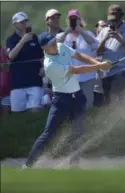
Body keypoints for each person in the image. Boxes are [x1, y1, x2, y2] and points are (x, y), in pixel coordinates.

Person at [22, 33, 111, 168]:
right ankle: (28, 165)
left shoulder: (61, 46)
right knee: (48, 133)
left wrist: (98, 63)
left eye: (54, 41)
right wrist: (100, 66)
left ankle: (74, 164)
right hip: (61, 100)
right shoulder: (49, 64)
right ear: (43, 48)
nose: (54, 45)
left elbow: (80, 56)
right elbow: (75, 70)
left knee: (78, 131)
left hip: (77, 96)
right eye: (50, 44)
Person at [97, 4, 125, 105]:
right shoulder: (104, 31)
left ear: (121, 16)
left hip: (122, 72)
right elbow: (97, 52)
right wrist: (104, 40)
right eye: (111, 19)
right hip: (106, 74)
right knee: (108, 104)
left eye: (115, 19)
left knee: (116, 100)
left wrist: (120, 39)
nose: (113, 22)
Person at [57, 9, 99, 108]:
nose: (73, 21)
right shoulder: (62, 35)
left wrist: (82, 32)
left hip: (87, 77)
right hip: (69, 77)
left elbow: (94, 44)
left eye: (75, 19)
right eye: (71, 19)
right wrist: (67, 31)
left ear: (80, 20)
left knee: (87, 104)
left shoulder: (87, 33)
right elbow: (56, 46)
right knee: (71, 105)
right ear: (67, 20)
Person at [6, 12, 44, 112]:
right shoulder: (11, 39)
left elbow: (42, 56)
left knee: (35, 111)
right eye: (22, 22)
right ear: (15, 24)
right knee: (18, 113)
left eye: (26, 21)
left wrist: (43, 67)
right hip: (17, 83)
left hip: (34, 81)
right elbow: (10, 56)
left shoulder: (35, 38)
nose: (25, 24)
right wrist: (23, 40)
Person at [0, 46, 11, 115]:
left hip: (5, 84)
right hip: (5, 84)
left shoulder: (4, 50)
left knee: (5, 100)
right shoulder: (4, 50)